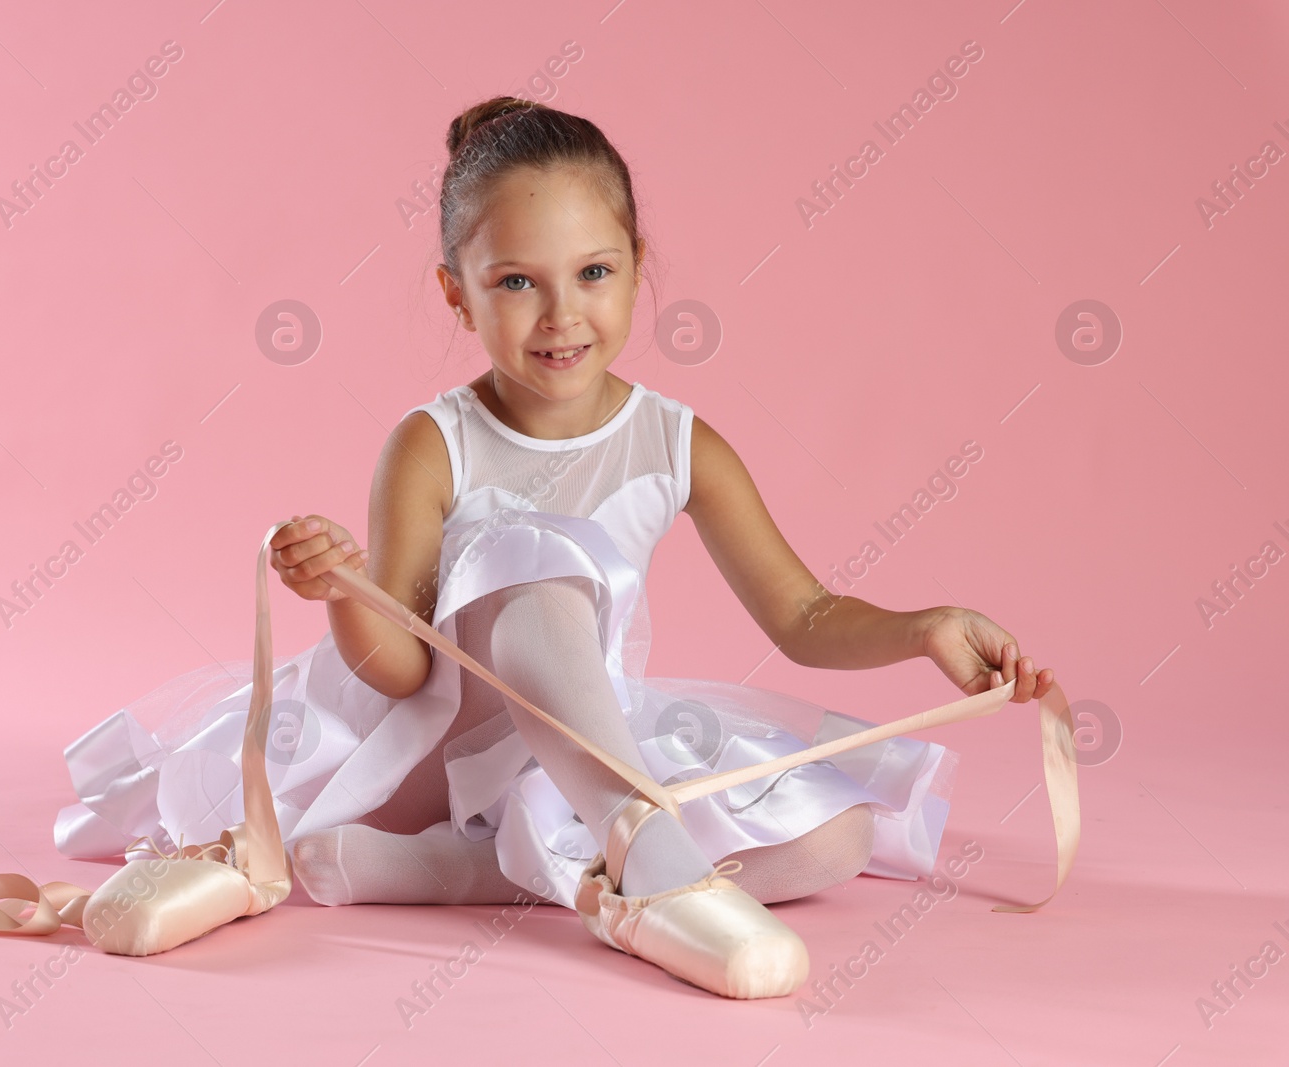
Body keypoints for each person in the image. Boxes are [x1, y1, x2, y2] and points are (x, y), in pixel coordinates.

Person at [52, 97, 1055, 997]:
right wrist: (343, 586)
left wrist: (928, 625)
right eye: (517, 282)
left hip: (572, 752)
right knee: (522, 548)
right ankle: (642, 861)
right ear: (455, 294)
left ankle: (451, 870)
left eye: (593, 272)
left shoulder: (677, 442)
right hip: (424, 755)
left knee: (841, 833)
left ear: (636, 263)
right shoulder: (431, 443)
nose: (561, 313)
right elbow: (399, 670)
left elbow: (801, 616)